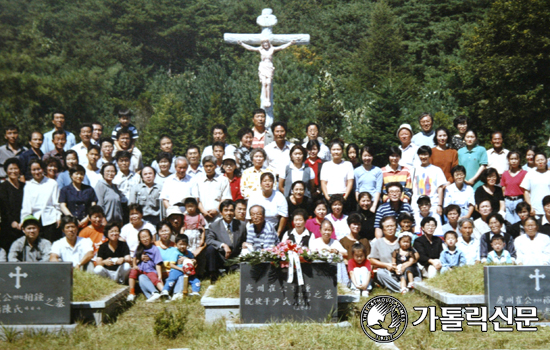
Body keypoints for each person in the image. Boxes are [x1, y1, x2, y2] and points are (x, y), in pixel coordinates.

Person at [237, 38, 296, 110]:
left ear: (268, 43)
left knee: (268, 83)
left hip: (269, 66)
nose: (265, 45)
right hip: (263, 66)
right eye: (264, 44)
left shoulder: (272, 49)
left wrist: (290, 43)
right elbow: (250, 48)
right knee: (264, 83)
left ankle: (268, 99)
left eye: (266, 43)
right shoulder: (260, 49)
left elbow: (281, 47)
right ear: (262, 44)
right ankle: (265, 99)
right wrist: (241, 44)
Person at [205, 200, 247, 282]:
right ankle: (213, 274)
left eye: (231, 210)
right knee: (210, 249)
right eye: (226, 210)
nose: (229, 213)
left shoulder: (241, 225)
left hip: (235, 257)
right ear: (221, 212)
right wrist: (223, 245)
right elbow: (209, 240)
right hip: (221, 257)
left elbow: (244, 240)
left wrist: (245, 244)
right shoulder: (214, 226)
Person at [20, 159, 61, 242]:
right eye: (34, 170)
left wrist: (58, 217)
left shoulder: (52, 183)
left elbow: (56, 203)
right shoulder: (28, 185)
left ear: (43, 169)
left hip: (50, 219)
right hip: (35, 219)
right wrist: (23, 220)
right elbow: (26, 206)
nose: (37, 172)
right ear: (30, 171)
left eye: (38, 169)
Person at [127, 229, 164, 302]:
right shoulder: (139, 248)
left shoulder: (155, 249)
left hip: (150, 270)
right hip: (140, 269)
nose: (145, 239)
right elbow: (134, 257)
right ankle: (131, 293)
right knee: (133, 272)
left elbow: (158, 263)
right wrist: (134, 265)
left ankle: (164, 292)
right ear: (139, 240)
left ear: (151, 237)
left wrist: (160, 276)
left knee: (155, 280)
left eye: (147, 236)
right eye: (142, 237)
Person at [246, 172, 288, 237]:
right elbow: (249, 217)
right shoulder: (254, 196)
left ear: (273, 183)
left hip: (274, 227)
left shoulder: (279, 196)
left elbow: (284, 216)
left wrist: (278, 233)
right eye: (265, 181)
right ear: (260, 183)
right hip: (257, 226)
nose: (267, 183)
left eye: (270, 181)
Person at [160, 234, 201, 299]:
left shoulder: (189, 253)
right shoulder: (175, 253)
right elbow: (172, 265)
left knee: (196, 280)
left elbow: (194, 263)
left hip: (187, 271)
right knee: (172, 279)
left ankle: (195, 292)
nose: (182, 246)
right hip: (177, 269)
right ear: (176, 244)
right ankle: (165, 291)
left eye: (184, 244)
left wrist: (193, 261)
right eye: (180, 244)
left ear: (187, 244)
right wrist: (181, 269)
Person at [369, 216, 402, 293]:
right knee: (380, 273)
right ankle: (401, 288)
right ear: (383, 229)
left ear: (396, 227)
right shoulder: (378, 242)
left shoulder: (401, 241)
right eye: (387, 227)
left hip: (400, 270)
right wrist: (387, 265)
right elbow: (372, 260)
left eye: (392, 226)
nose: (390, 229)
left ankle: (393, 287)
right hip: (386, 271)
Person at [309, 219, 348, 284]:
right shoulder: (315, 242)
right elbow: (310, 255)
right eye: (325, 230)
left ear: (332, 231)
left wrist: (337, 251)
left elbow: (346, 253)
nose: (327, 232)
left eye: (329, 230)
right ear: (320, 230)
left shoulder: (335, 242)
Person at [320, 139, 354, 211]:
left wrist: (345, 197)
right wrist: (328, 198)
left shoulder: (348, 164)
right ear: (330, 151)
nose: (336, 152)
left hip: (343, 196)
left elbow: (350, 182)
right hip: (330, 197)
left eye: (338, 149)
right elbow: (323, 183)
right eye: (334, 149)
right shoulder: (326, 165)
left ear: (342, 151)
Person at [195, 156, 232, 223]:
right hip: (203, 217)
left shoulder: (223, 180)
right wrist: (204, 212)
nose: (208, 168)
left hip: (218, 217)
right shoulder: (199, 181)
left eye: (211, 166)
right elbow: (197, 200)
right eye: (206, 166)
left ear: (215, 166)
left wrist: (217, 210)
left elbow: (225, 198)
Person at [412, 146, 447, 214]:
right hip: (417, 206)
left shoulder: (437, 170)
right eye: (421, 154)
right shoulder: (414, 170)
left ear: (430, 155)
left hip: (433, 206)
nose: (423, 157)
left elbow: (440, 188)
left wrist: (439, 205)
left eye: (426, 154)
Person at [0, 158, 25, 251]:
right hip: (8, 226)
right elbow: (4, 208)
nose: (13, 171)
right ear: (6, 171)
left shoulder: (24, 186)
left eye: (16, 169)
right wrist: (12, 222)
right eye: (10, 169)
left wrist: (23, 221)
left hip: (23, 224)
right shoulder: (2, 187)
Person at [501, 151, 527, 224]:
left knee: (519, 223)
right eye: (511, 159)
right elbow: (503, 189)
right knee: (510, 225)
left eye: (516, 159)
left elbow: (526, 190)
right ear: (508, 160)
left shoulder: (524, 173)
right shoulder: (505, 174)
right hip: (508, 201)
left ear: (519, 160)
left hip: (519, 201)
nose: (514, 161)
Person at [520, 152, 550, 217]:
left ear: (546, 160)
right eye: (538, 160)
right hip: (535, 210)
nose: (540, 162)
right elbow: (526, 191)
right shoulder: (530, 174)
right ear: (534, 162)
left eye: (542, 160)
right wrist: (530, 206)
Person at [354, 146, 382, 212]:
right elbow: (356, 189)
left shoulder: (378, 171)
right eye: (365, 156)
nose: (367, 158)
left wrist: (374, 205)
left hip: (374, 202)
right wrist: (360, 203)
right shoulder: (356, 171)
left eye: (369, 156)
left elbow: (378, 189)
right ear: (361, 156)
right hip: (361, 203)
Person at [182, 197, 207, 268]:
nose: (190, 208)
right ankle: (188, 267)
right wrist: (182, 236)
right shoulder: (184, 216)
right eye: (188, 207)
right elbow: (182, 228)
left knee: (197, 252)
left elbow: (203, 229)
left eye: (192, 206)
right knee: (188, 251)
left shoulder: (199, 216)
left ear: (196, 206)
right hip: (187, 235)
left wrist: (202, 239)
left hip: (196, 235)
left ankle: (199, 269)